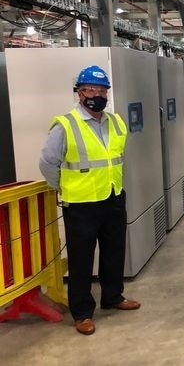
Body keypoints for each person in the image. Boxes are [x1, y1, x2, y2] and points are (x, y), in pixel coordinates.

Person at [39, 65, 140, 336]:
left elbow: (115, 158)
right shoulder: (66, 124)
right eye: (90, 89)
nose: (97, 94)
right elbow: (48, 162)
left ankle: (113, 296)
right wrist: (62, 186)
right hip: (81, 203)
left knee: (114, 250)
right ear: (79, 93)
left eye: (102, 90)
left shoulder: (116, 121)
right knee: (82, 259)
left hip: (113, 196)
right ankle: (82, 312)